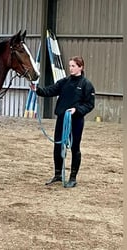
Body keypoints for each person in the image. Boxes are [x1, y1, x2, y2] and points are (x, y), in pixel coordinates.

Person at [30, 56, 95, 188]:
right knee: (58, 146)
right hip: (62, 119)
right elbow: (51, 90)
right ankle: (58, 174)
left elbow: (90, 104)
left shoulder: (86, 85)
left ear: (80, 67)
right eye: (70, 66)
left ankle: (73, 177)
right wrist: (37, 90)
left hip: (75, 121)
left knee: (75, 147)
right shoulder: (64, 82)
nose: (70, 68)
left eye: (73, 66)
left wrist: (77, 110)